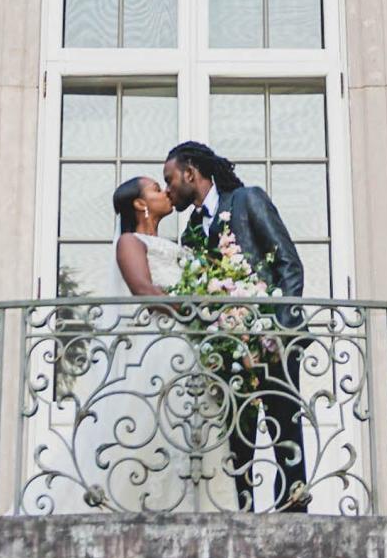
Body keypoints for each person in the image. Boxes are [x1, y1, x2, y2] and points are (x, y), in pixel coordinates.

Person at [163, 141, 310, 513]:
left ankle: (295, 516)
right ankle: (242, 515)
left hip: (271, 342)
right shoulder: (191, 231)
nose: (168, 189)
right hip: (225, 349)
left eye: (170, 179)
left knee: (285, 433)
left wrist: (277, 331)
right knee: (236, 438)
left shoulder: (246, 200)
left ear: (190, 172)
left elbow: (290, 266)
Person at [81, 176, 235, 512]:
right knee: (149, 428)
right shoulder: (129, 242)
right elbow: (144, 290)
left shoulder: (176, 246)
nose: (165, 192)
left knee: (192, 430)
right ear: (139, 204)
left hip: (188, 350)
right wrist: (201, 308)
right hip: (156, 351)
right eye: (155, 188)